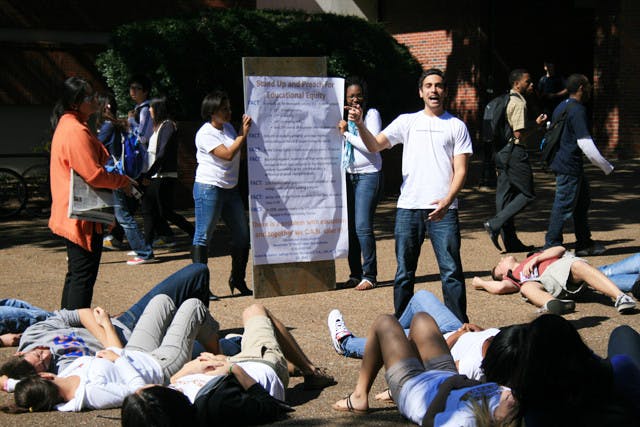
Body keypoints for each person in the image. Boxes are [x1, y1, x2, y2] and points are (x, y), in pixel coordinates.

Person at [350, 68, 472, 322]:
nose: (433, 90)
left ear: (445, 91)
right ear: (421, 92)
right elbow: (374, 146)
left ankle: (458, 326)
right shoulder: (407, 122)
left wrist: (448, 200)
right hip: (408, 208)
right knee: (405, 272)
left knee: (450, 271)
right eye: (428, 85)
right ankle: (402, 325)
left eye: (438, 85)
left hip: (444, 210)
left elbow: (460, 170)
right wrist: (360, 125)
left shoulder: (456, 126)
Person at [0, 264, 217, 389]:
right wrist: (105, 325)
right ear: (42, 376)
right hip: (139, 351)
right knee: (223, 348)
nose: (46, 355)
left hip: (125, 322)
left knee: (196, 273)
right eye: (43, 364)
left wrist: (107, 333)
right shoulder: (66, 371)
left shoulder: (34, 334)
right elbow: (119, 357)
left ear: (20, 352)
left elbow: (82, 313)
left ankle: (202, 328)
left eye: (37, 354)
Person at [121, 303, 334, 426]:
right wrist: (232, 368)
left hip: (219, 368)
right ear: (165, 402)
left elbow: (171, 388)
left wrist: (188, 370)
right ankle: (311, 371)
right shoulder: (220, 406)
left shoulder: (161, 413)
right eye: (155, 387)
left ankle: (289, 363)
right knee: (255, 310)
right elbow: (270, 407)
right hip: (258, 364)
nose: (158, 385)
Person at [5, 294, 219, 412]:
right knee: (193, 306)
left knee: (161, 300)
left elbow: (18, 385)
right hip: (158, 366)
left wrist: (7, 382)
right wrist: (118, 359)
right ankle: (217, 355)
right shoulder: (92, 395)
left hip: (135, 351)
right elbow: (138, 391)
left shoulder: (63, 377)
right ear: (44, 376)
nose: (44, 358)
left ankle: (200, 341)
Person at [331, 312, 519, 426]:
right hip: (447, 376)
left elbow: (430, 420)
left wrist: (497, 418)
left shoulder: (469, 421)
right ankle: (409, 361)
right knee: (422, 319)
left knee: (385, 322)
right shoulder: (513, 400)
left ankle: (359, 397)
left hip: (413, 388)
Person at [48, 77, 134, 310]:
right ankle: (74, 332)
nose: (96, 100)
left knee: (77, 274)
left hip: (75, 212)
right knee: (82, 277)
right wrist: (122, 181)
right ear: (76, 103)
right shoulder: (75, 129)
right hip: (81, 216)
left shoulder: (70, 125)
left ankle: (66, 328)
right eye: (90, 97)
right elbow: (94, 174)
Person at [482, 314, 640, 426]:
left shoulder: (536, 411)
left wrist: (499, 419)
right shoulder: (620, 369)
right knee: (622, 332)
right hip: (614, 394)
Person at [328, 292, 500, 382]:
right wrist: (479, 331)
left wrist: (458, 335)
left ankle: (345, 343)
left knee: (385, 337)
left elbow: (440, 367)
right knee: (421, 296)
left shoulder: (473, 366)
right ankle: (397, 332)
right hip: (454, 329)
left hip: (435, 342)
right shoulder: (506, 341)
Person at [543, 74, 614, 256]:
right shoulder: (578, 110)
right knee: (563, 205)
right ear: (581, 88)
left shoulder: (562, 106)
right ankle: (551, 246)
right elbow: (585, 143)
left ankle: (584, 243)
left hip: (564, 163)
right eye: (589, 86)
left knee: (581, 203)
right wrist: (606, 166)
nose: (590, 89)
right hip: (569, 165)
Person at [191, 90, 253, 298]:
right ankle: (200, 286)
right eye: (223, 109)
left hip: (230, 189)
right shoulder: (205, 133)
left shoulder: (227, 128)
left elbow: (237, 152)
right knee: (203, 235)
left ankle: (237, 278)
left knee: (243, 235)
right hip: (209, 187)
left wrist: (241, 137)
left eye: (228, 108)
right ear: (211, 112)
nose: (228, 112)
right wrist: (243, 134)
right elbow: (227, 155)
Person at [484, 69, 547, 253]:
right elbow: (519, 133)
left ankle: (510, 242)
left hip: (502, 152)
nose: (531, 84)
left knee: (504, 198)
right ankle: (494, 223)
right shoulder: (518, 102)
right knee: (528, 194)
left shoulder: (505, 99)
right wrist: (536, 125)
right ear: (517, 84)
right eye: (528, 81)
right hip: (515, 153)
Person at [471, 246, 637, 314]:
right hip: (546, 284)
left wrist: (536, 259)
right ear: (503, 273)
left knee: (577, 265)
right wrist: (481, 283)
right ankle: (554, 304)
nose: (502, 259)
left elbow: (560, 249)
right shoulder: (513, 278)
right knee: (526, 288)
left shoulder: (533, 255)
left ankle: (621, 297)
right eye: (498, 264)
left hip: (562, 269)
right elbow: (499, 288)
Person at [135, 97, 194, 266]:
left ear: (158, 109)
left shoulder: (168, 125)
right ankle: (146, 247)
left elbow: (162, 153)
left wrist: (149, 174)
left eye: (152, 109)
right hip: (157, 175)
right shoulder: (159, 126)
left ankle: (146, 249)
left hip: (163, 176)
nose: (150, 112)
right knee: (154, 211)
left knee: (156, 210)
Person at [97, 93, 155, 263]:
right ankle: (140, 248)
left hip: (114, 175)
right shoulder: (115, 124)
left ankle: (144, 252)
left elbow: (93, 146)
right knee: (119, 214)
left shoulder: (107, 126)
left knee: (123, 215)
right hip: (117, 174)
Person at [338, 77, 383, 291]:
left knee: (363, 226)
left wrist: (347, 132)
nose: (355, 99)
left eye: (358, 95)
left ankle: (370, 275)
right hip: (349, 175)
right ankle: (355, 274)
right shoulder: (343, 118)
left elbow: (370, 145)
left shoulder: (371, 114)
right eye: (351, 96)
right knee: (351, 229)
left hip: (368, 175)